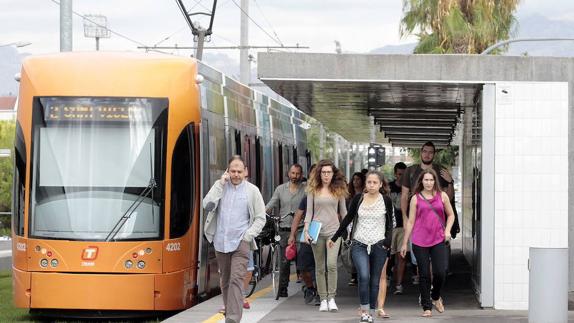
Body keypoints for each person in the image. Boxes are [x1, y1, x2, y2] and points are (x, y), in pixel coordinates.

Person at [203, 155, 266, 323]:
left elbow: (261, 218)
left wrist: (247, 236)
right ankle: (229, 312)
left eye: (239, 171)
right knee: (225, 281)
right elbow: (207, 205)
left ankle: (232, 319)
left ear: (245, 172)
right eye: (233, 171)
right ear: (227, 171)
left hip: (241, 242)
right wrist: (220, 184)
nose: (236, 174)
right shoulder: (220, 187)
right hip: (220, 242)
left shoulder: (252, 191)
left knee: (236, 280)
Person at [329, 171, 393, 323]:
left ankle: (371, 311)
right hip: (359, 243)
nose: (371, 185)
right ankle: (364, 311)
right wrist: (335, 237)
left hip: (379, 244)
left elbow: (390, 224)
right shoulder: (358, 199)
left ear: (380, 184)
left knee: (375, 280)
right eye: (369, 182)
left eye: (375, 183)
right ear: (366, 183)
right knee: (363, 276)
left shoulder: (386, 200)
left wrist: (387, 243)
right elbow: (348, 218)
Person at [400, 168, 455, 318]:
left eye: (431, 180)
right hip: (419, 240)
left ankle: (436, 296)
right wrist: (405, 243)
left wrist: (448, 231)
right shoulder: (415, 198)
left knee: (441, 272)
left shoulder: (442, 196)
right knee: (424, 274)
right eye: (426, 180)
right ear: (421, 181)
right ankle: (427, 307)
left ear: (434, 181)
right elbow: (410, 221)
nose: (429, 182)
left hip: (438, 238)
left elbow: (451, 215)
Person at [303, 159, 348, 312]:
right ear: (319, 173)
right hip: (316, 231)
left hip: (334, 232)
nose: (326, 175)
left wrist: (347, 230)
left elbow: (344, 212)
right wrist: (306, 230)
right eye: (323, 172)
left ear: (333, 174)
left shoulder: (339, 189)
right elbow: (309, 212)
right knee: (320, 267)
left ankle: (332, 298)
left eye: (329, 172)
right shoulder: (312, 189)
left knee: (331, 265)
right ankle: (323, 299)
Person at [265, 164, 306, 297]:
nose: (295, 176)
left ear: (301, 174)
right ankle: (283, 287)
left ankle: (308, 286)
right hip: (283, 229)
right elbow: (271, 204)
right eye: (292, 173)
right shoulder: (280, 189)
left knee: (302, 258)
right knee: (284, 261)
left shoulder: (306, 190)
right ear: (288, 174)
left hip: (300, 229)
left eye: (297, 174)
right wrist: (263, 214)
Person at [288, 164, 320, 306]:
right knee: (303, 265)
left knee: (322, 266)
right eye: (312, 175)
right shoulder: (307, 197)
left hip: (325, 232)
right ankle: (310, 288)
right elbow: (297, 217)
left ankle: (321, 293)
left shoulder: (331, 195)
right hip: (310, 231)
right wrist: (292, 235)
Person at [389, 162, 407, 295]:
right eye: (399, 174)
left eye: (403, 174)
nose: (401, 177)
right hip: (390, 227)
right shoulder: (389, 188)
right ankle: (388, 278)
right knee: (389, 257)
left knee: (401, 257)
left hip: (403, 226)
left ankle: (399, 284)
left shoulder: (409, 188)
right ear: (395, 174)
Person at [346, 172, 366, 286]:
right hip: (351, 225)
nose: (355, 182)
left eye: (358, 179)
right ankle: (354, 274)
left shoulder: (365, 194)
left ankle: (360, 274)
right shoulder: (349, 195)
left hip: (362, 225)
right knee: (352, 250)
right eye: (354, 179)